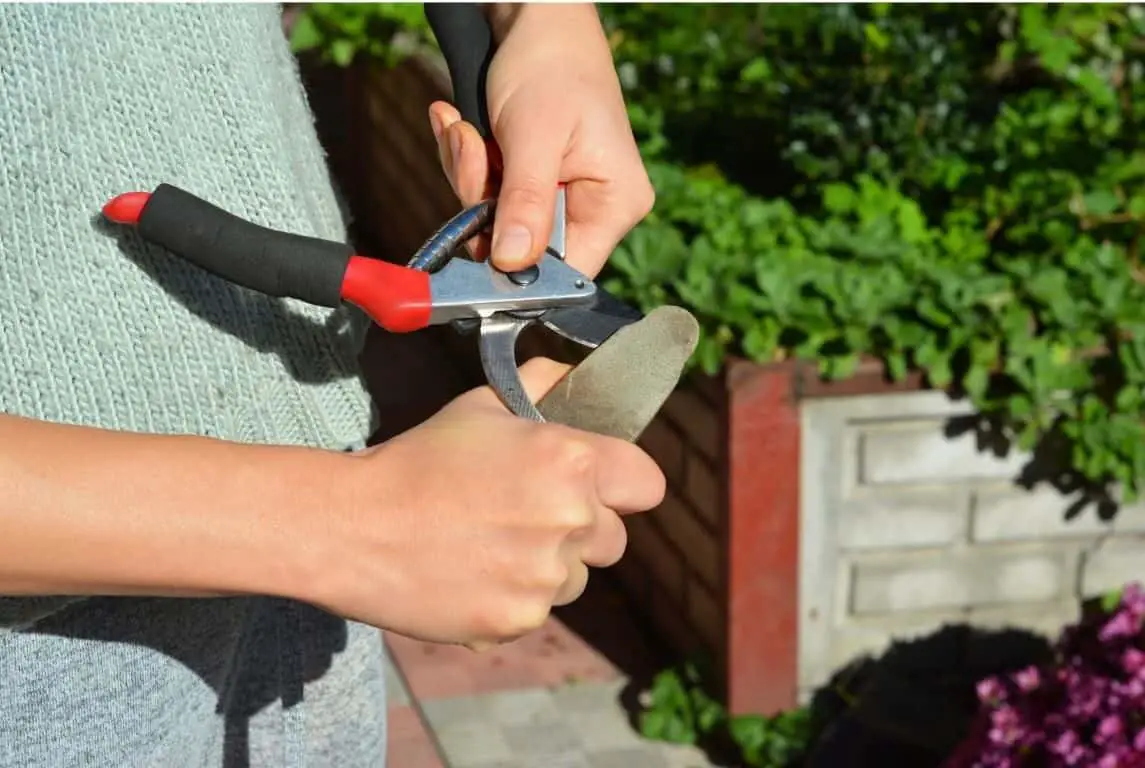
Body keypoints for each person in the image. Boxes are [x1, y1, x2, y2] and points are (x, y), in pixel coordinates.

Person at [0, 3, 663, 766]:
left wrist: (536, 18)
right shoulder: (351, 531)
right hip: (50, 652)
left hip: (312, 561)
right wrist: (352, 524)